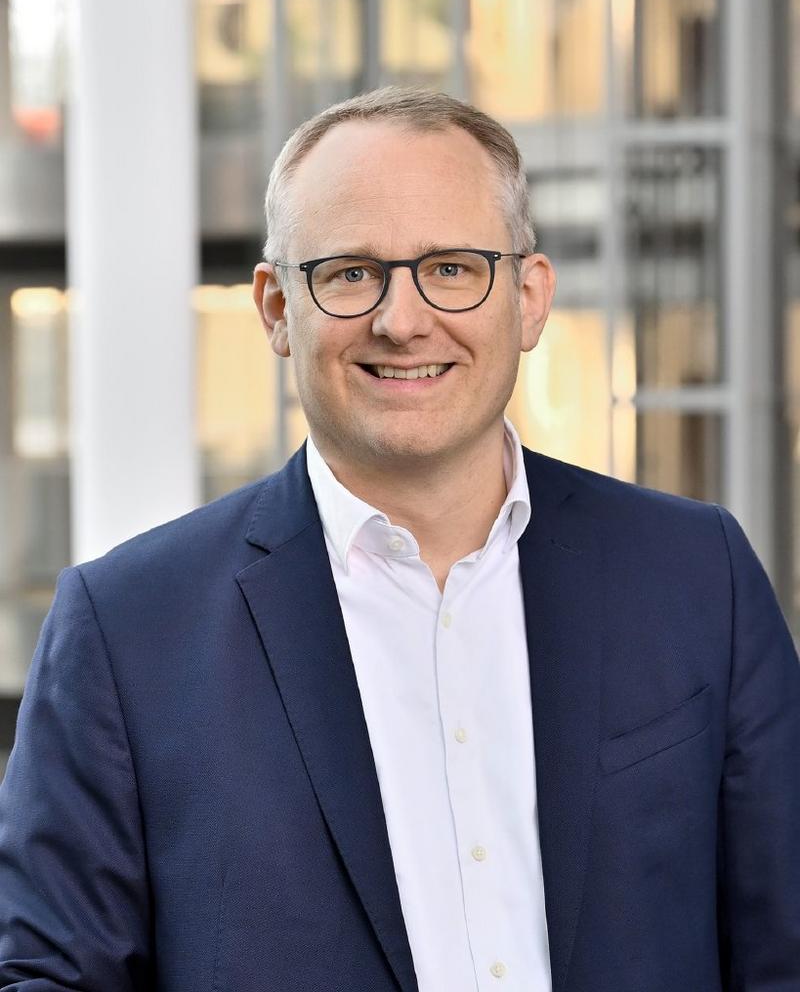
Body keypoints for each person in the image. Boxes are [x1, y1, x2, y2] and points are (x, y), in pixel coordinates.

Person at [1, 86, 799, 992]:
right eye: (350, 273)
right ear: (276, 307)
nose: (403, 319)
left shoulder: (697, 576)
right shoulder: (126, 631)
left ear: (530, 298)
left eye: (452, 268)